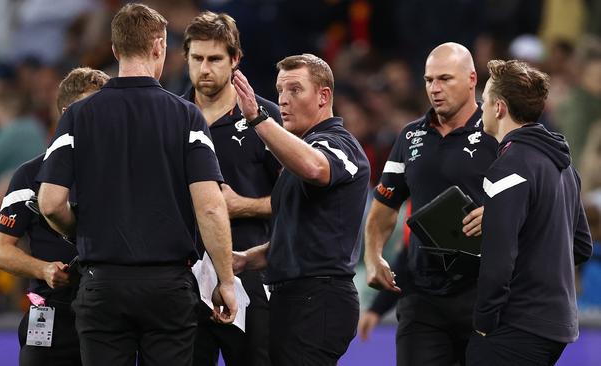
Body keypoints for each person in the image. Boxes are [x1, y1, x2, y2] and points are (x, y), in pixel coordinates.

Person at [36, 4, 237, 366]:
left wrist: (79, 230)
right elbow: (210, 206)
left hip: (102, 283)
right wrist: (224, 280)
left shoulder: (78, 117)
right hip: (168, 286)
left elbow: (49, 203)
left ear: (114, 50)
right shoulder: (186, 116)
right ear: (159, 46)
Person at [363, 42, 498, 366]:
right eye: (428, 80)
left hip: (484, 292)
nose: (435, 89)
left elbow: (530, 200)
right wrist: (373, 257)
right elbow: (384, 207)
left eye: (445, 79)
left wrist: (497, 214)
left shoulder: (498, 133)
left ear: (471, 79)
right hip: (422, 298)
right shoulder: (409, 137)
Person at [232, 53, 370, 366]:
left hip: (318, 299)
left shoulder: (338, 143)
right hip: (294, 298)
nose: (282, 100)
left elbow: (315, 167)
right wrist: (244, 259)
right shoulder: (297, 159)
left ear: (324, 96)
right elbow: (296, 238)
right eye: (280, 90)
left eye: (295, 90)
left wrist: (257, 119)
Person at [466, 59, 593, 366]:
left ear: (499, 108)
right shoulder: (564, 166)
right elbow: (581, 246)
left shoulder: (508, 167)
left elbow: (499, 258)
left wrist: (483, 322)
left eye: (483, 102)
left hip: (519, 324)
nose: (480, 110)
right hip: (557, 324)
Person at [0, 66, 109, 366]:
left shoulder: (121, 172)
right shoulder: (30, 174)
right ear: (68, 113)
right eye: (94, 108)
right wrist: (43, 270)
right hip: (52, 309)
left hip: (109, 310)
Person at [181, 11, 281, 366]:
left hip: (250, 272)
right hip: (183, 277)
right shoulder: (170, 120)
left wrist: (243, 206)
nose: (205, 69)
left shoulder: (264, 119)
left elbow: (295, 201)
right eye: (197, 59)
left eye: (215, 59)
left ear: (235, 59)